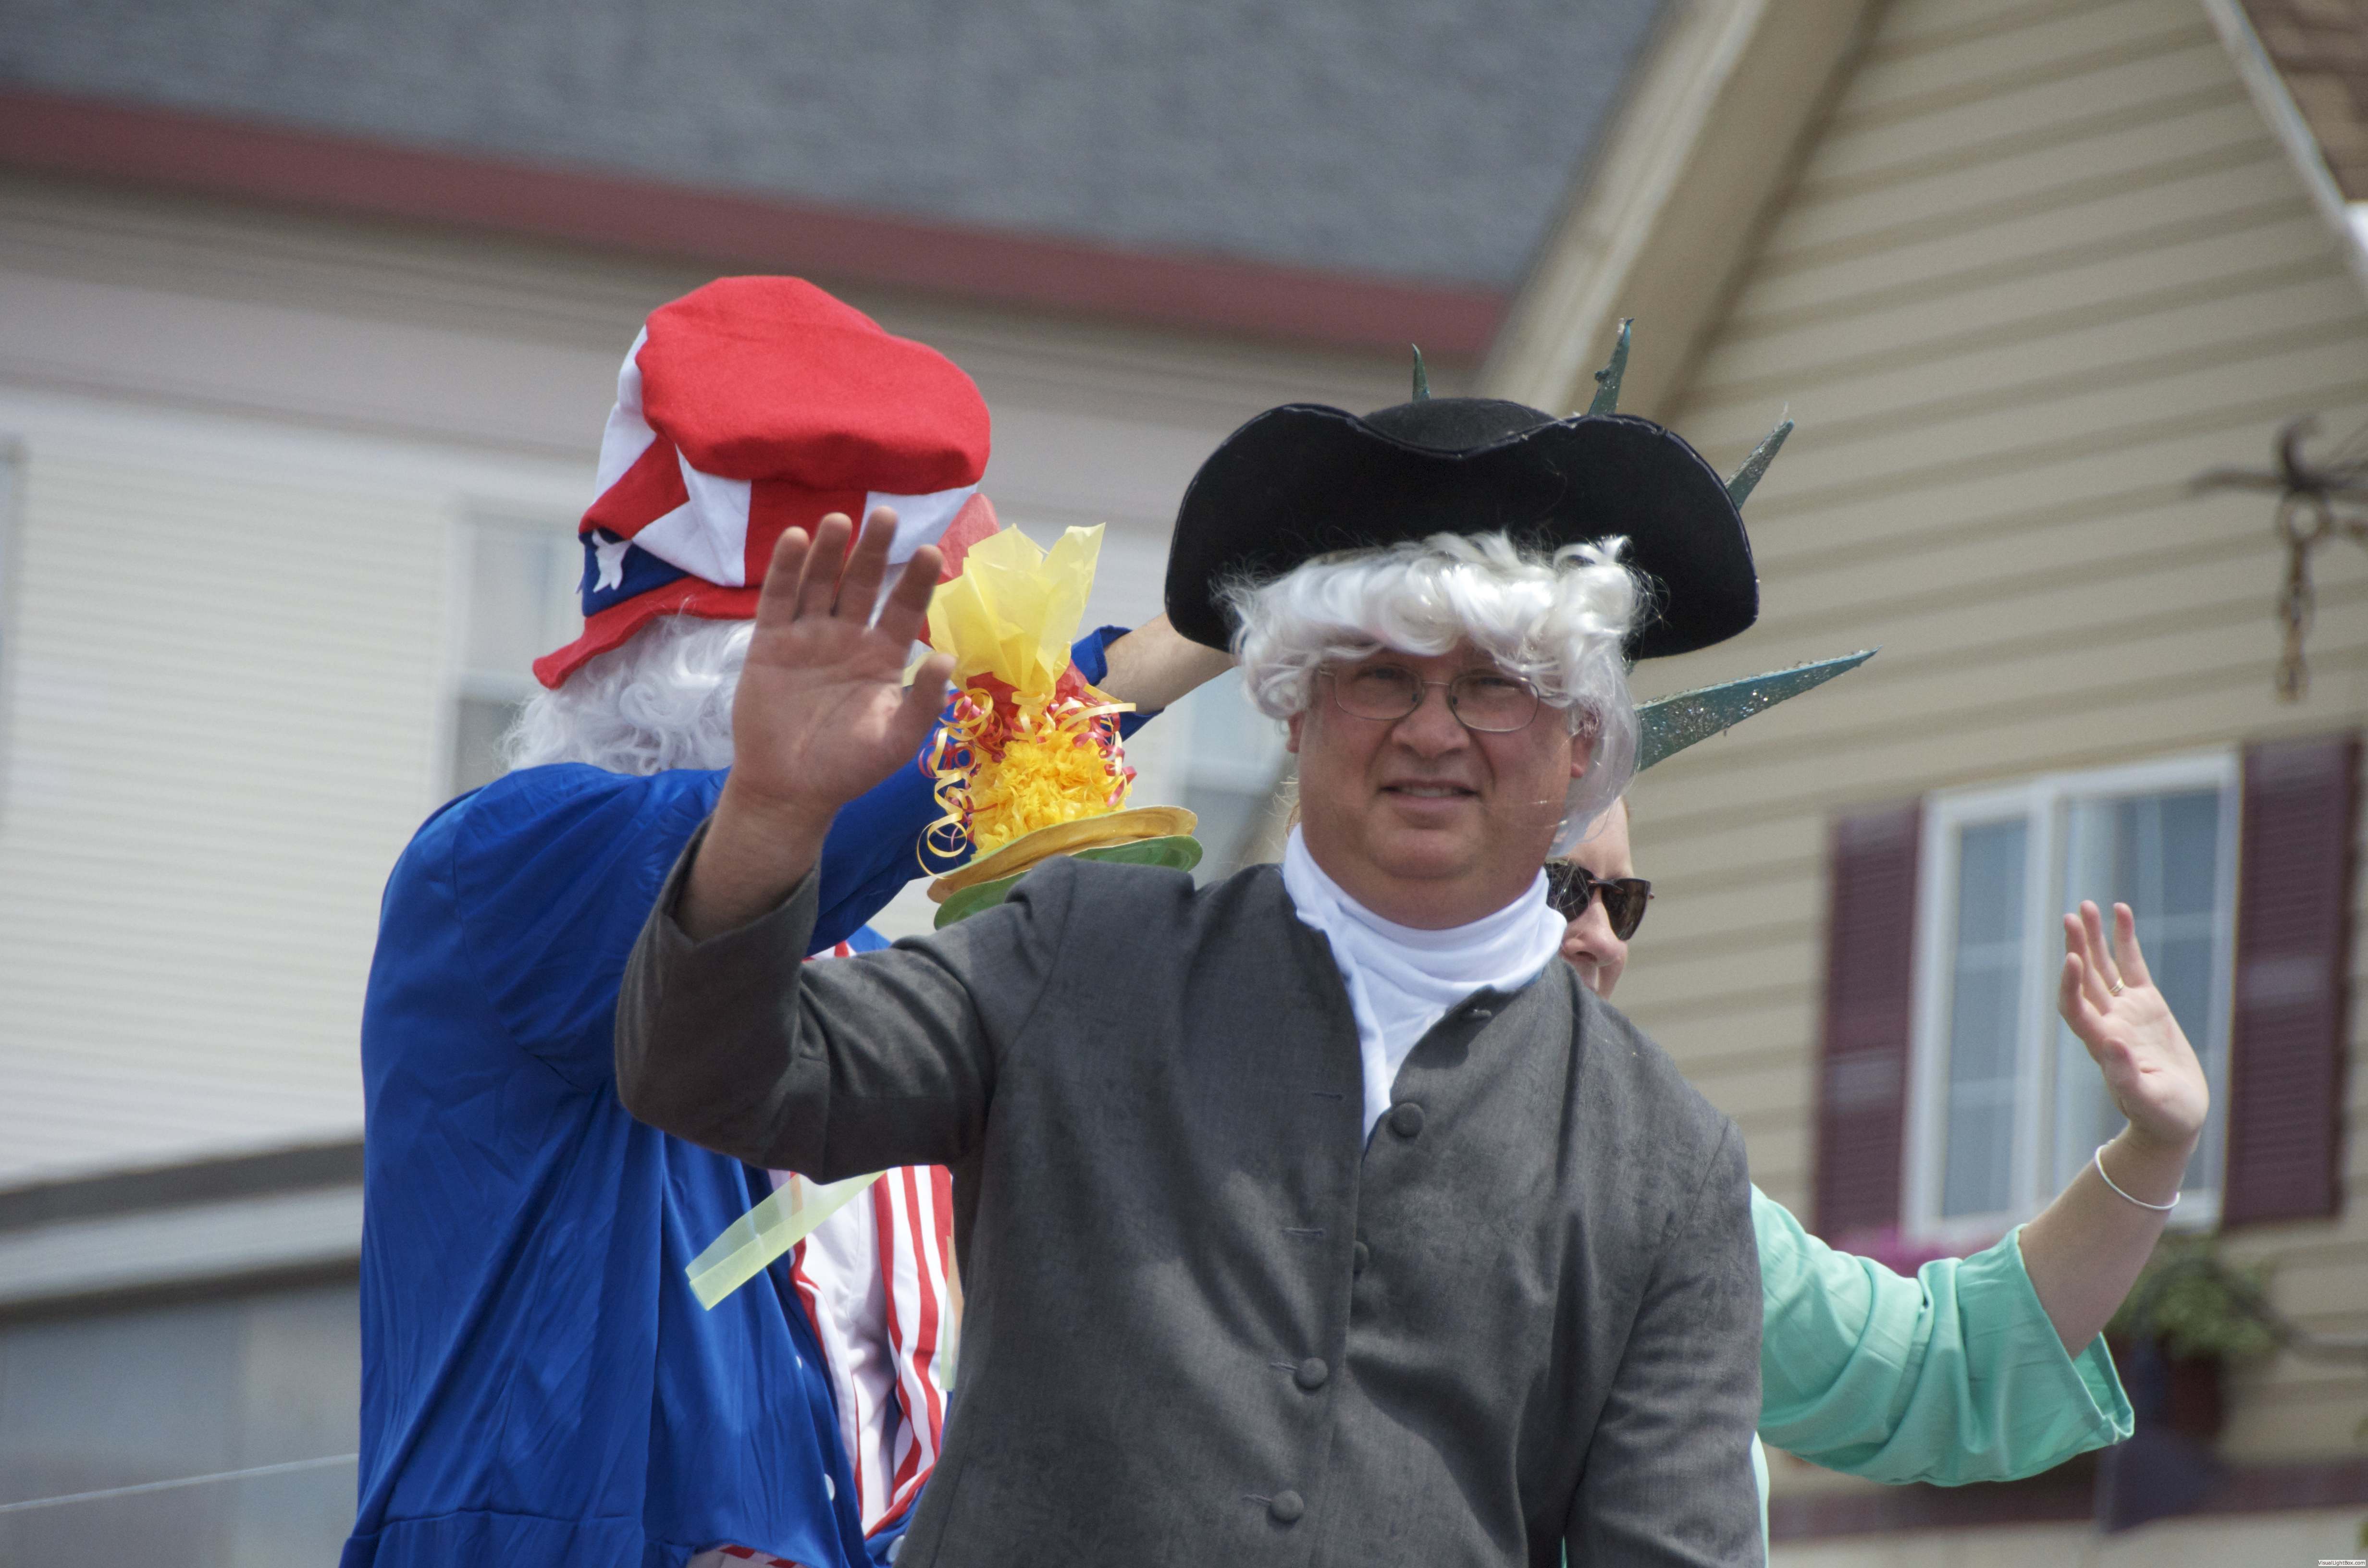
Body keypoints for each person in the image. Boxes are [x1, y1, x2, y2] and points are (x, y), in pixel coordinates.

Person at [618, 389, 1783, 1565]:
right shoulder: (1077, 957)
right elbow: (714, 1075)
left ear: (1580, 741)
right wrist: (771, 815)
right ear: (1295, 710)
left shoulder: (1665, 1163)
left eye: (1493, 685)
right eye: (1378, 676)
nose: (1431, 732)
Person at [343, 277, 1224, 1568]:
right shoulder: (500, 872)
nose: (921, 728)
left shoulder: (872, 987)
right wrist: (1200, 628)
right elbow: (770, 846)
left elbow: (890, 1418)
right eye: (904, 686)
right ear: (740, 688)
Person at [1553, 798, 2207, 1498]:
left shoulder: (1656, 1183)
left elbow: (1934, 1368)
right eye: (1560, 890)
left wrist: (2154, 1148)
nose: (1606, 941)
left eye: (1621, 902)